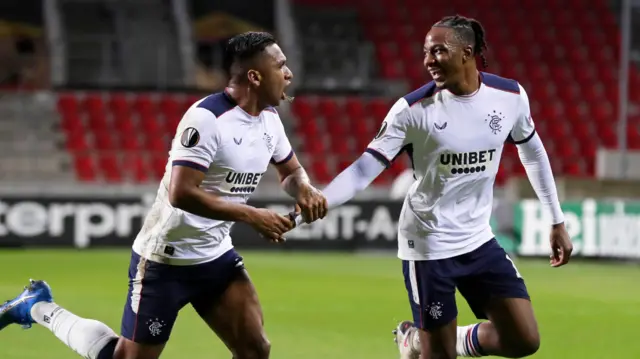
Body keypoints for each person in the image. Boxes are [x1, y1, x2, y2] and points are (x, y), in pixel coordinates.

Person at [0, 31, 328, 359]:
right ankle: (38, 307)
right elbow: (181, 193)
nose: (289, 74)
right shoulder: (207, 119)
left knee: (255, 350)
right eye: (281, 65)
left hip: (215, 256)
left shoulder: (269, 121)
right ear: (255, 77)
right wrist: (252, 215)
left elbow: (291, 172)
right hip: (165, 259)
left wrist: (306, 189)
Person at [294, 15, 573, 359]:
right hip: (428, 244)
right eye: (426, 52)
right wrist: (319, 200)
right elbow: (364, 168)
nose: (429, 61)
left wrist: (556, 220)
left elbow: (532, 152)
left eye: (439, 51)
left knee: (523, 339)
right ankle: (421, 342)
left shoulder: (509, 97)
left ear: (466, 52)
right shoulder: (412, 110)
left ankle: (429, 341)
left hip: (477, 238)